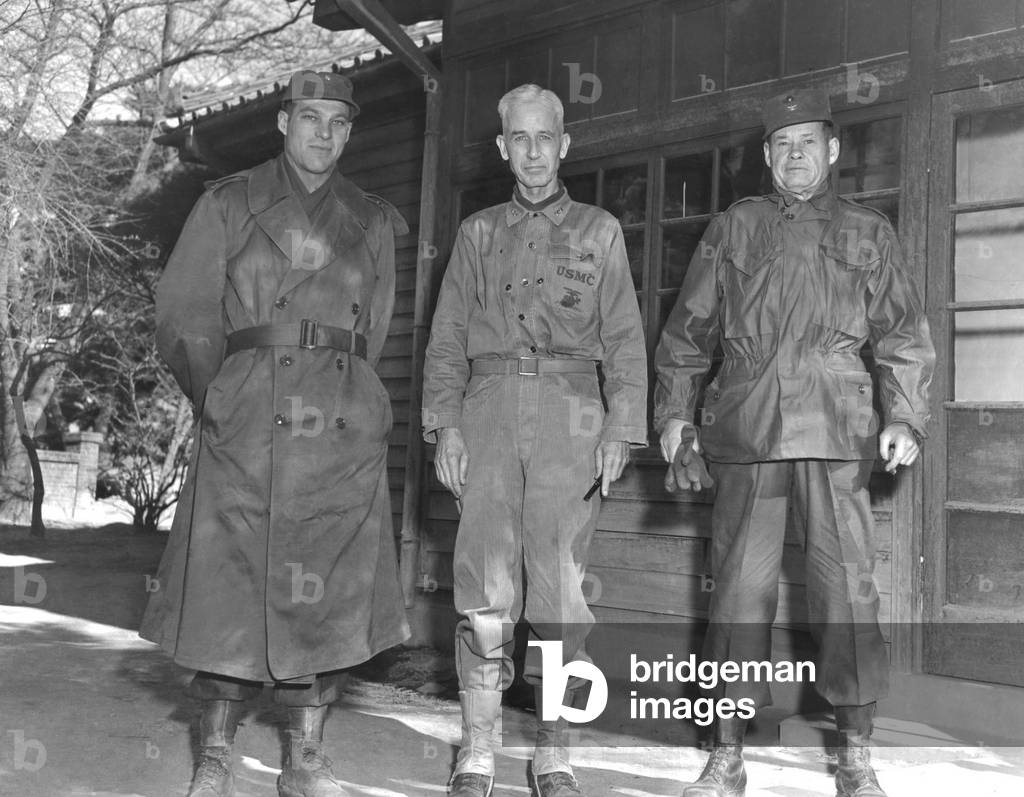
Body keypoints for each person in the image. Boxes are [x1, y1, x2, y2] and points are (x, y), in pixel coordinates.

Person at [654, 87, 934, 797]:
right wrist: (674, 413)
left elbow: (902, 333)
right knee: (737, 600)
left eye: (808, 141)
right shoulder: (734, 226)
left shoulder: (869, 231)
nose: (795, 155)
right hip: (747, 429)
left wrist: (905, 415)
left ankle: (855, 755)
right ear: (767, 156)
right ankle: (725, 755)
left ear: (832, 151)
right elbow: (687, 332)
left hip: (839, 430)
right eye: (781, 144)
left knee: (846, 595)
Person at [140, 70, 411, 797]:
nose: (324, 133)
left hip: (340, 428)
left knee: (331, 590)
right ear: (283, 123)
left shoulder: (374, 219)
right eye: (310, 117)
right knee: (228, 588)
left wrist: (354, 398)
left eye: (338, 122)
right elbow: (184, 315)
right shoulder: (229, 202)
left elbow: (375, 327)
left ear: (350, 131)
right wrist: (221, 395)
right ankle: (217, 753)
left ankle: (306, 755)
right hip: (249, 419)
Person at [422, 84, 648, 797]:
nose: (533, 152)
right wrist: (445, 423)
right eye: (518, 139)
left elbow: (625, 341)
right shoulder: (477, 233)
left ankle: (553, 748)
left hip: (570, 417)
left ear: (564, 143)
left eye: (544, 137)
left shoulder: (600, 231)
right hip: (488, 410)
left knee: (558, 592)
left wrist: (620, 426)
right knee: (484, 587)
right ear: (502, 148)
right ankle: (479, 747)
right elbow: (449, 335)